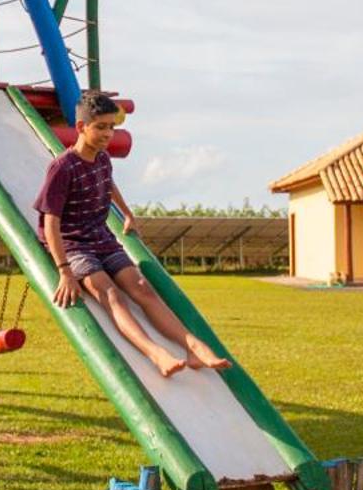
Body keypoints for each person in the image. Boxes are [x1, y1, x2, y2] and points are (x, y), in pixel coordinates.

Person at [35, 90, 230, 379]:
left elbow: (108, 184)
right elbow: (51, 221)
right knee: (110, 294)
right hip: (74, 244)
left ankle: (192, 346)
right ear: (81, 127)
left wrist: (127, 213)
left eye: (112, 127)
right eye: (100, 127)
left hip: (101, 237)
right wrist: (64, 270)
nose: (107, 134)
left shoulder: (102, 159)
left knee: (142, 286)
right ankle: (157, 354)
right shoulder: (62, 168)